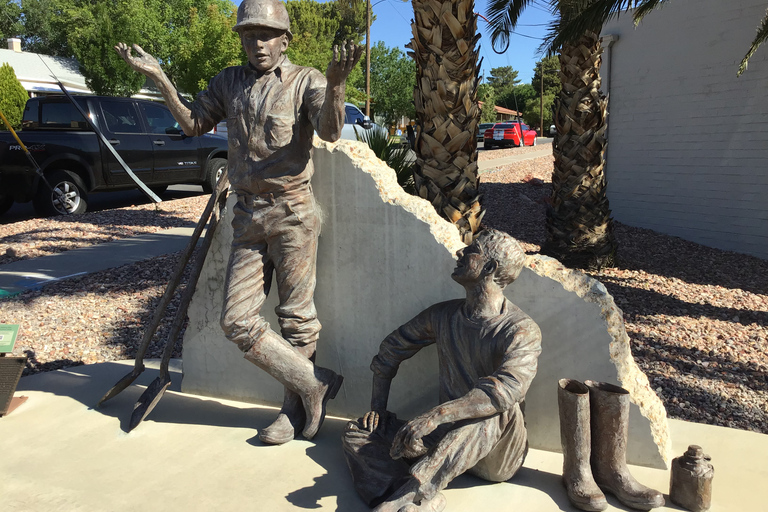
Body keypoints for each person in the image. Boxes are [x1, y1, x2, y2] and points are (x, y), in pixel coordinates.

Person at [115, 0, 363, 443]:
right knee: (236, 320)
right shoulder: (228, 81)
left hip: (291, 214)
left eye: (266, 34)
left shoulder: (308, 79)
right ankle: (313, 383)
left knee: (297, 319)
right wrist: (160, 79)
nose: (257, 44)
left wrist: (340, 84)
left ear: (285, 39)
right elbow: (194, 123)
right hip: (247, 216)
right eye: (249, 35)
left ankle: (292, 409)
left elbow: (327, 131)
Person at [342, 229, 542, 512]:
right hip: (442, 441)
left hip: (497, 455)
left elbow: (507, 390)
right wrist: (378, 408)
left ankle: (412, 491)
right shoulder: (442, 315)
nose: (460, 253)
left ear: (489, 267)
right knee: (357, 431)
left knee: (495, 408)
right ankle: (407, 495)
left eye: (470, 250)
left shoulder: (520, 329)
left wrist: (435, 416)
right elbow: (391, 349)